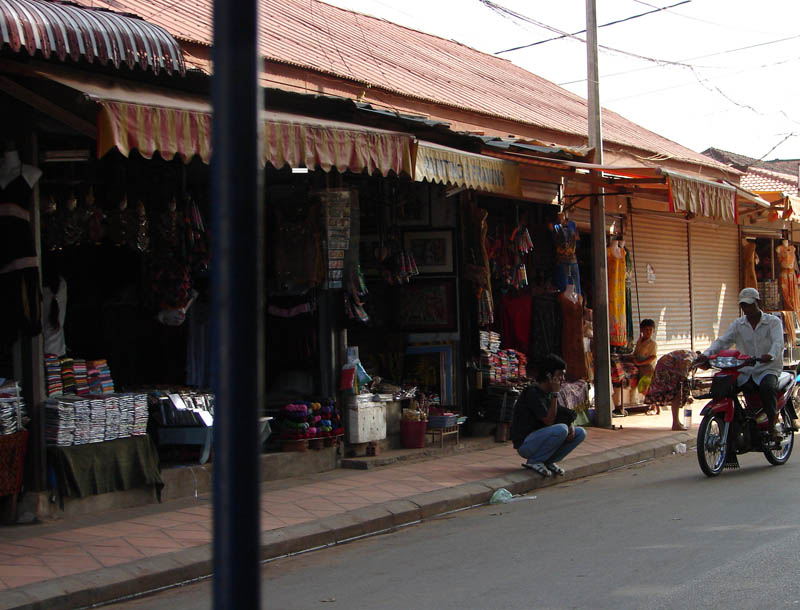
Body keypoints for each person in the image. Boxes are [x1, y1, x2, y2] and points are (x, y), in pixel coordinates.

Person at [695, 286, 784, 442]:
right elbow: (723, 341)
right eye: (744, 305)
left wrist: (770, 355)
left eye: (750, 304)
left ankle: (772, 425)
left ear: (758, 302)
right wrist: (706, 355)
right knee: (725, 387)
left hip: (767, 368)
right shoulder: (738, 324)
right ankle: (735, 424)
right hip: (745, 369)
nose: (747, 308)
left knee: (767, 388)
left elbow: (778, 343)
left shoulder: (773, 322)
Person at [510, 353, 587, 477]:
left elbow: (563, 414)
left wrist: (570, 424)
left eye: (563, 375)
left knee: (580, 433)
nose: (562, 379)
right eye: (560, 375)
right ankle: (534, 461)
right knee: (561, 429)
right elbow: (549, 421)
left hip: (539, 439)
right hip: (526, 444)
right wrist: (555, 394)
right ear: (549, 376)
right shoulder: (532, 393)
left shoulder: (548, 393)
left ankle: (548, 461)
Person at [644, 350, 696, 430]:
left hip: (665, 366)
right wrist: (685, 388)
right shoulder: (693, 357)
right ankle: (675, 424)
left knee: (677, 393)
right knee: (677, 393)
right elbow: (685, 364)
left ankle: (676, 422)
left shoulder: (691, 356)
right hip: (666, 368)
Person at [633, 319, 658, 412]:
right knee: (643, 388)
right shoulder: (640, 341)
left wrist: (639, 363)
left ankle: (654, 407)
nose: (648, 332)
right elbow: (635, 353)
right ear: (641, 330)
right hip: (640, 368)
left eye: (650, 330)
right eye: (646, 329)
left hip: (648, 369)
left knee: (648, 388)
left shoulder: (653, 344)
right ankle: (653, 406)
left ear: (653, 331)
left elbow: (653, 357)